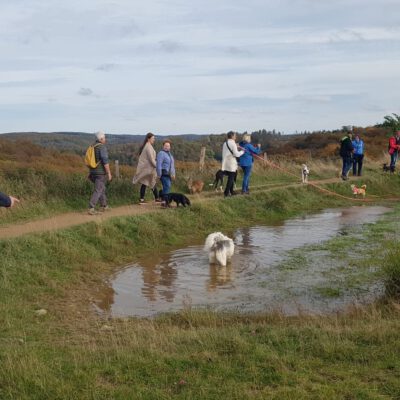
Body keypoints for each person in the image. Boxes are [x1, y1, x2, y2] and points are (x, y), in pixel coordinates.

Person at [88, 130, 112, 215]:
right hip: (100, 173)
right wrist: (109, 173)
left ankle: (104, 206)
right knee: (98, 189)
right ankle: (91, 207)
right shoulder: (101, 147)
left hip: (92, 172)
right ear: (101, 138)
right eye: (104, 137)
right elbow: (105, 161)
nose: (105, 139)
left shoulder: (92, 146)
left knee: (101, 188)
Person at [132, 133, 161, 204]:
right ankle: (155, 198)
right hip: (148, 169)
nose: (154, 140)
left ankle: (144, 199)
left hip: (148, 169)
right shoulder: (148, 147)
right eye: (153, 138)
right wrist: (157, 166)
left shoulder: (148, 146)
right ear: (149, 139)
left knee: (147, 182)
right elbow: (151, 159)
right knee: (150, 182)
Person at [221, 132, 244, 197]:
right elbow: (236, 154)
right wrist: (242, 151)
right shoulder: (233, 144)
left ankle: (231, 191)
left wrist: (236, 146)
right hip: (231, 163)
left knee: (231, 177)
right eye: (235, 136)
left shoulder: (225, 143)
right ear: (232, 136)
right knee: (231, 178)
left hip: (225, 163)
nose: (236, 137)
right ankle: (226, 192)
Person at [156, 140, 175, 207]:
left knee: (167, 187)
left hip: (169, 174)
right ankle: (164, 202)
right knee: (167, 186)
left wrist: (173, 174)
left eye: (168, 146)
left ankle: (165, 201)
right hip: (163, 173)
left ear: (170, 147)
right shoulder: (161, 153)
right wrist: (159, 174)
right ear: (163, 146)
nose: (167, 147)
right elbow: (158, 165)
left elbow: (172, 165)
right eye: (165, 146)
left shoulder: (170, 155)